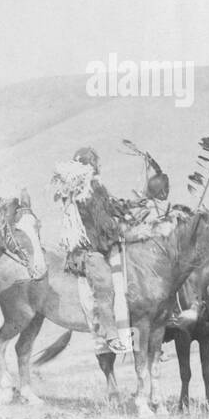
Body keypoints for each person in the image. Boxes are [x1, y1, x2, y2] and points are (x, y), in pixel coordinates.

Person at [49, 147, 133, 353]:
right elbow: (102, 225)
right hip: (89, 252)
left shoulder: (94, 189)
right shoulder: (86, 193)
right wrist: (120, 228)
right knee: (105, 287)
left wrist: (127, 209)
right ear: (91, 166)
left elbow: (111, 209)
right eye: (97, 164)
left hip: (100, 247)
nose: (99, 168)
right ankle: (111, 336)